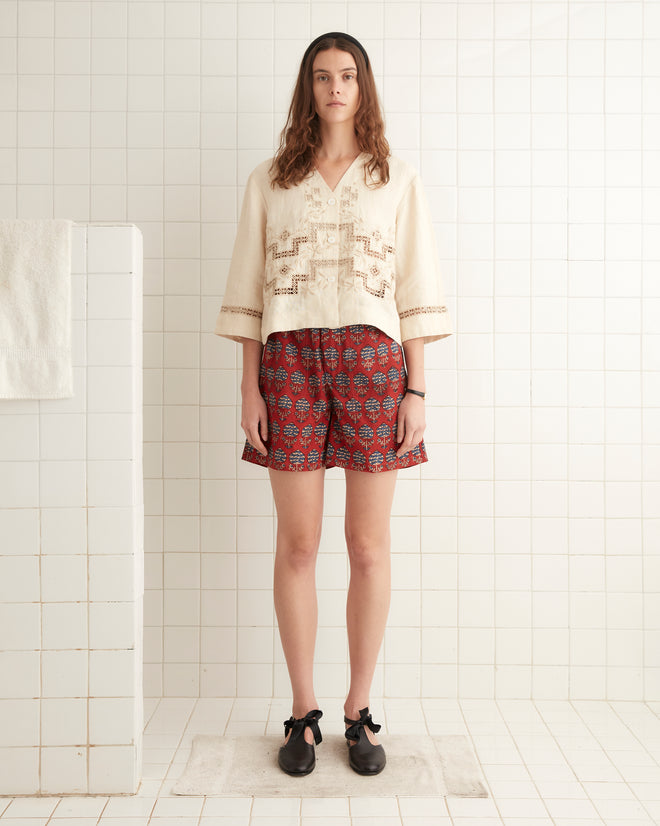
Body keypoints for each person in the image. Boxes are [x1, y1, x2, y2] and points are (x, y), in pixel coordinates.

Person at [214, 31, 453, 777]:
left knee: (368, 546)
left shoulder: (396, 180)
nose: (336, 87)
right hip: (289, 364)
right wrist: (248, 384)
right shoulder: (270, 182)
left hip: (375, 367)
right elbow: (250, 293)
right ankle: (303, 713)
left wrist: (417, 389)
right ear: (307, 89)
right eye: (323, 76)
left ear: (365, 87)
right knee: (297, 544)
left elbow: (414, 291)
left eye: (348, 75)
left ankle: (359, 710)